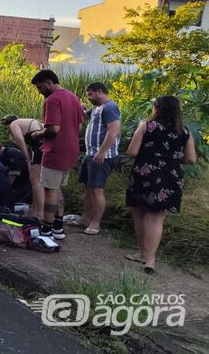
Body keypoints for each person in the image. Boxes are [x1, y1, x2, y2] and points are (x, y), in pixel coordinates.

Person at [126, 96, 196, 274]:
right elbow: (191, 159)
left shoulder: (147, 126)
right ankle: (150, 260)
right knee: (156, 218)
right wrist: (172, 157)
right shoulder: (185, 132)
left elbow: (132, 151)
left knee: (139, 211)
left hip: (145, 172)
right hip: (170, 176)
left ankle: (143, 253)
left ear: (157, 108)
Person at [28, 70, 84, 239]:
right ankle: (58, 228)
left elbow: (53, 129)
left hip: (55, 150)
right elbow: (79, 127)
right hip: (71, 149)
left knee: (50, 191)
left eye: (39, 87)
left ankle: (46, 230)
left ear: (48, 83)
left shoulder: (52, 99)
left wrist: (37, 134)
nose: (39, 92)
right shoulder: (74, 97)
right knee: (58, 188)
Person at [70, 82, 121, 235]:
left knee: (96, 189)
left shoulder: (110, 107)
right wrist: (79, 106)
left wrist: (102, 152)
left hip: (102, 156)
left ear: (99, 91)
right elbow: (83, 116)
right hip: (91, 154)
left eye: (90, 94)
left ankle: (95, 223)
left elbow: (113, 131)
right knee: (88, 188)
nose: (89, 98)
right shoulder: (97, 108)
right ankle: (86, 218)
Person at [1, 115, 45, 219]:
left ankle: (40, 212)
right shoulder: (28, 123)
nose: (8, 131)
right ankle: (34, 209)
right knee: (34, 179)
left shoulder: (14, 124)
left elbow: (20, 140)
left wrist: (27, 159)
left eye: (7, 128)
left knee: (36, 181)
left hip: (40, 147)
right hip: (43, 147)